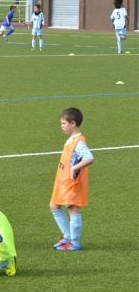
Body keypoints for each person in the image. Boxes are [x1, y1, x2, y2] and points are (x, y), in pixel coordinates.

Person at [50, 107, 94, 252]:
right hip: (62, 181)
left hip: (71, 183)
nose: (61, 126)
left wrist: (74, 169)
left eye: (63, 123)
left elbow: (89, 158)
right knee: (54, 206)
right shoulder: (72, 139)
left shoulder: (79, 142)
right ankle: (68, 236)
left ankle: (74, 243)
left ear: (73, 123)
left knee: (72, 209)